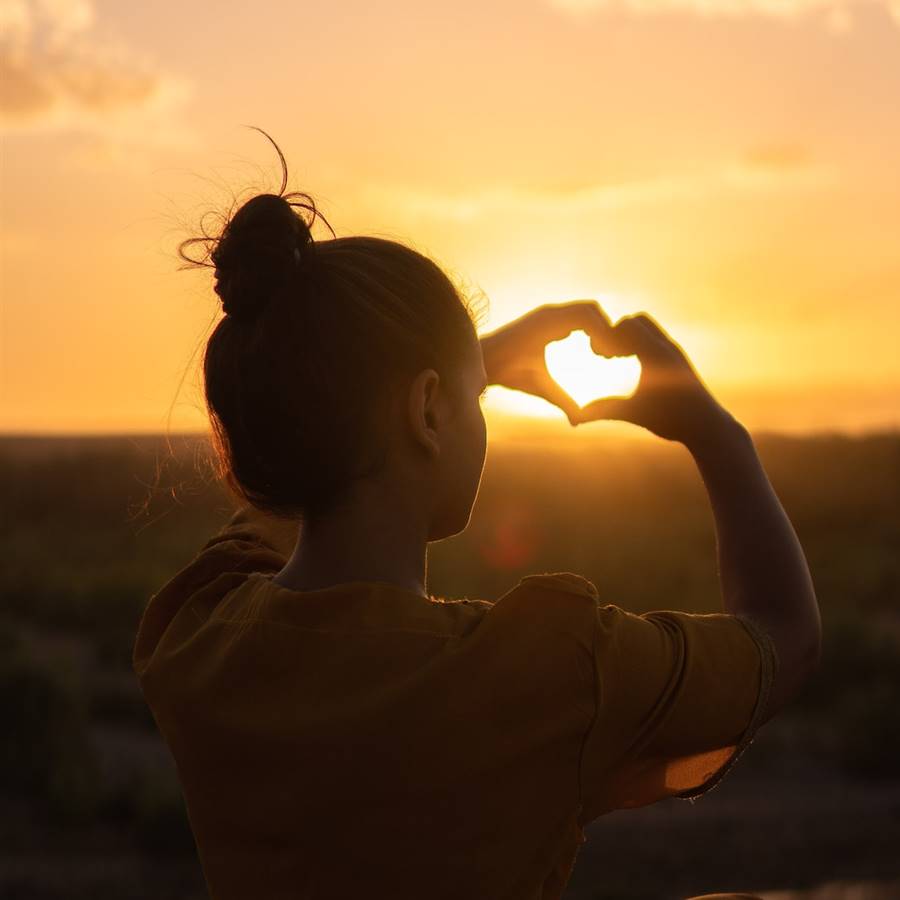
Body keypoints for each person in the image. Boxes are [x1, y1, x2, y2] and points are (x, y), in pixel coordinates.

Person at [133, 131, 822, 900]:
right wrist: (717, 434)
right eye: (468, 395)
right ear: (428, 409)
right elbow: (784, 639)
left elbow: (302, 476)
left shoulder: (197, 635)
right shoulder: (547, 673)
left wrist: (458, 366)